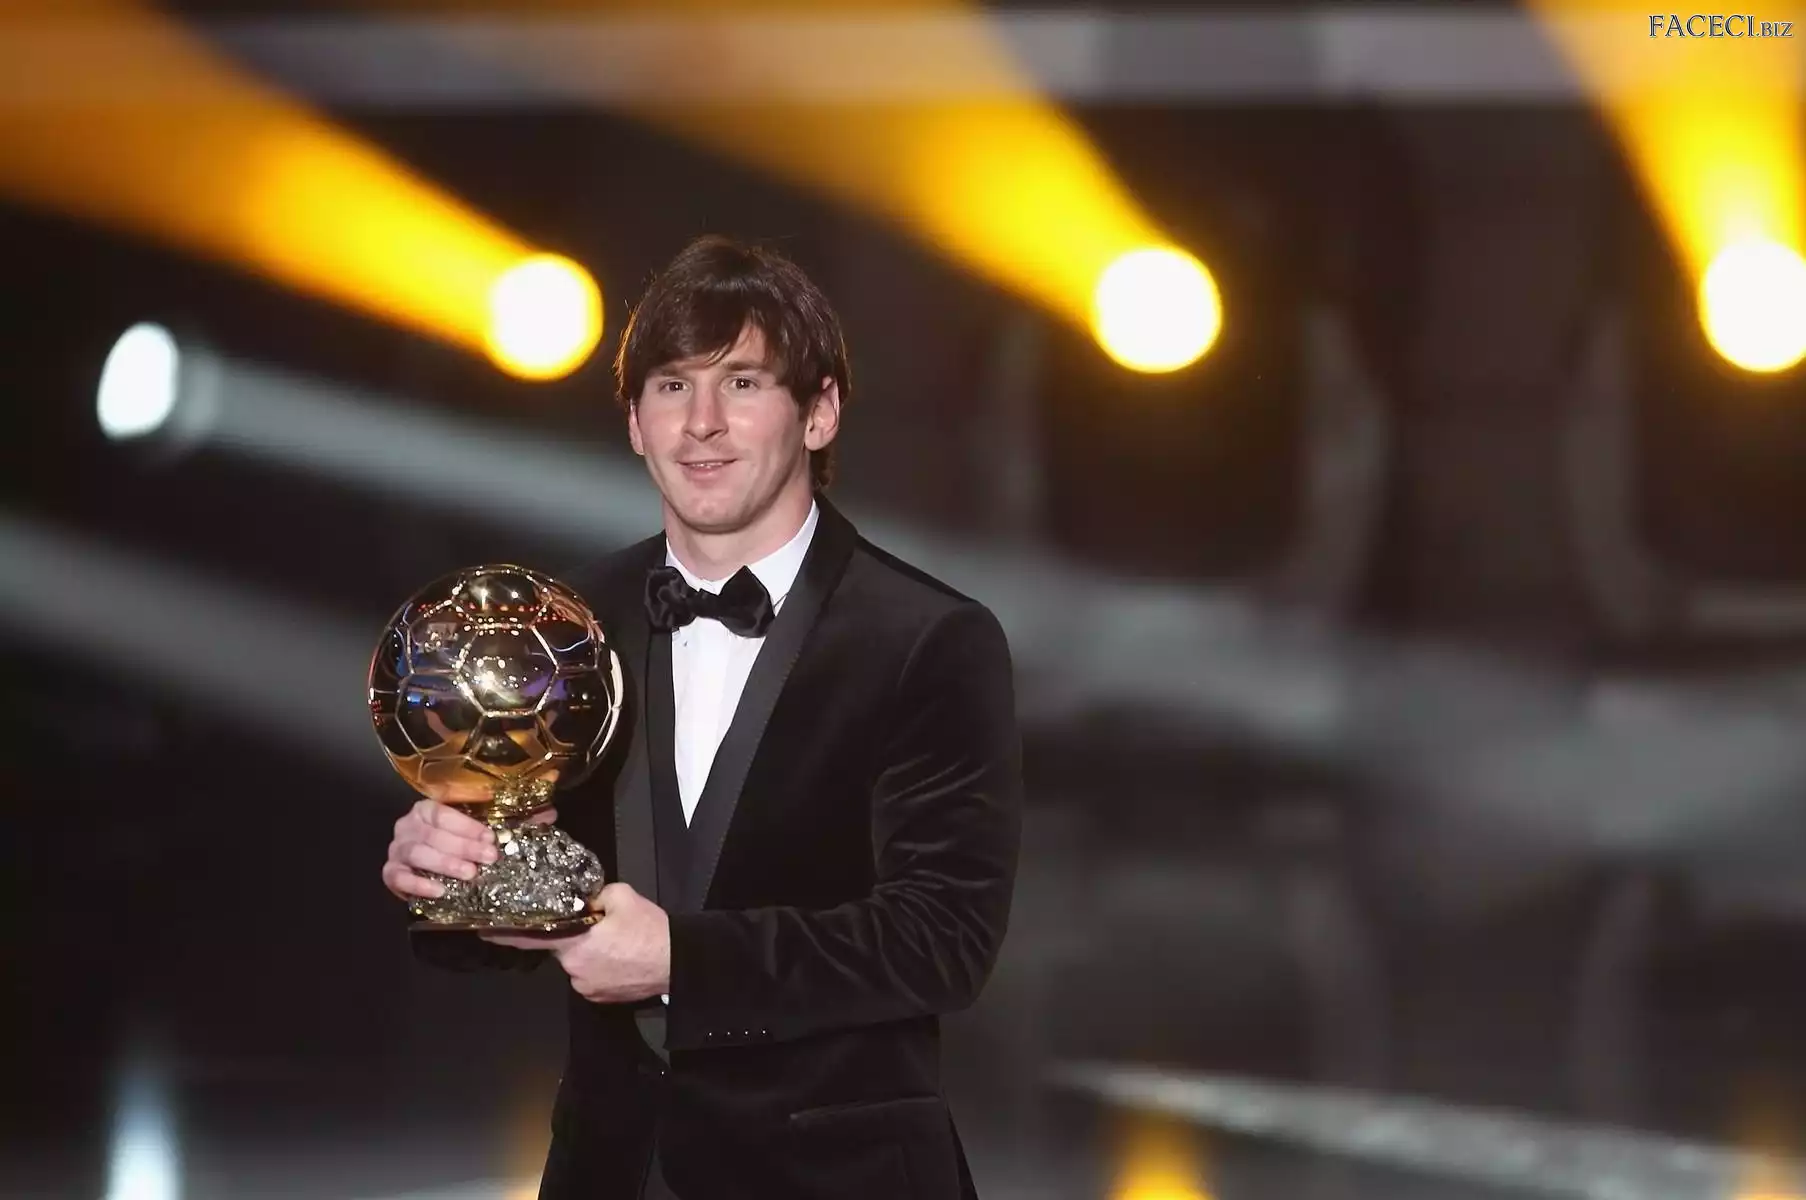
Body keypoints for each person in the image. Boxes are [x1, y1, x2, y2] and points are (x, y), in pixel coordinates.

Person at [380, 234, 1023, 1200]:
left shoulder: (929, 639)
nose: (702, 424)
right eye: (673, 386)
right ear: (635, 424)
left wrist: (681, 961)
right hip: (608, 1171)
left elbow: (942, 941)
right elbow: (545, 881)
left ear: (820, 412)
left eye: (744, 383)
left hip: (836, 1178)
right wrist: (453, 878)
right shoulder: (567, 627)